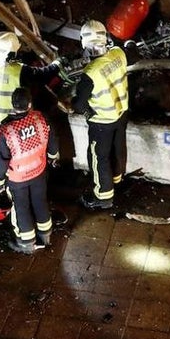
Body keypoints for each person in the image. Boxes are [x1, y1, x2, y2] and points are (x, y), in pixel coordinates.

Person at [0, 31, 59, 182]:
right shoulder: (17, 71)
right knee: (14, 157)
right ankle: (13, 183)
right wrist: (59, 63)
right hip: (8, 125)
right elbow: (42, 75)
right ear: (10, 55)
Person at [0, 88, 60, 254]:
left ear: (12, 105)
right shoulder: (41, 119)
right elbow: (53, 141)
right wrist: (52, 157)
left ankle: (26, 243)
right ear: (29, 104)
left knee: (21, 207)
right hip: (39, 171)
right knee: (40, 201)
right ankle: (46, 235)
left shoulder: (6, 131)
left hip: (17, 179)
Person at [71, 20, 128, 210]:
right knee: (117, 148)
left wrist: (81, 109)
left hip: (102, 122)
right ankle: (116, 180)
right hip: (121, 114)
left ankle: (103, 196)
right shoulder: (118, 54)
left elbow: (79, 105)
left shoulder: (90, 72)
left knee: (98, 157)